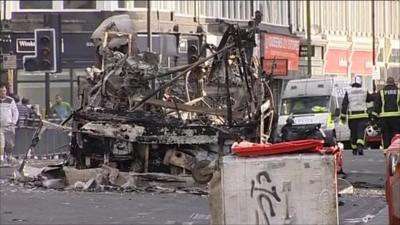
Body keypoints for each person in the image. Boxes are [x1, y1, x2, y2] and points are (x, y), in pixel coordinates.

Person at [340, 76, 374, 155]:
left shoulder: (348, 91)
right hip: (363, 115)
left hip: (352, 116)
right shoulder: (364, 90)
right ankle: (360, 146)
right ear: (360, 83)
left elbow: (344, 104)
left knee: (353, 132)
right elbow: (369, 99)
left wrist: (343, 116)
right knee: (360, 132)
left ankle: (354, 149)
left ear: (352, 83)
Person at [372, 77, 400, 149]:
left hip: (384, 119)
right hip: (396, 118)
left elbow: (377, 105)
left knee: (386, 135)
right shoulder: (398, 92)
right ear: (394, 83)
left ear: (386, 83)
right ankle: (395, 150)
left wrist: (374, 118)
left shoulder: (381, 92)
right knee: (396, 135)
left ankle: (386, 152)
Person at [0, 84, 19, 164]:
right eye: (1, 91)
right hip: (0, 126)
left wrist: (14, 122)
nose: (3, 93)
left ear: (6, 91)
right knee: (1, 143)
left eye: (4, 91)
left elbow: (15, 112)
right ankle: (1, 158)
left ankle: (9, 156)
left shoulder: (10, 100)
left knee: (10, 144)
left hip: (10, 126)